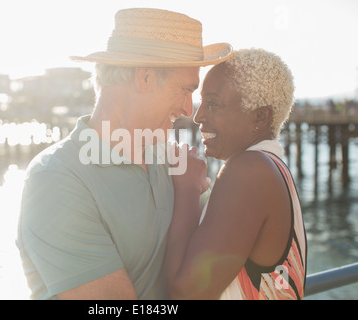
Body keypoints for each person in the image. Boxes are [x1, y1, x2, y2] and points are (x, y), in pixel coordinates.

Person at [16, 8, 232, 300]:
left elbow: (211, 257)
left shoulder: (171, 161)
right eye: (185, 89)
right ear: (144, 78)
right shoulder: (55, 179)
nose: (187, 110)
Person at [165, 48, 307, 300]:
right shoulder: (272, 166)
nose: (198, 116)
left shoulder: (249, 170)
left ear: (260, 116)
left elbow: (186, 293)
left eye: (213, 103)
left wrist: (187, 187)